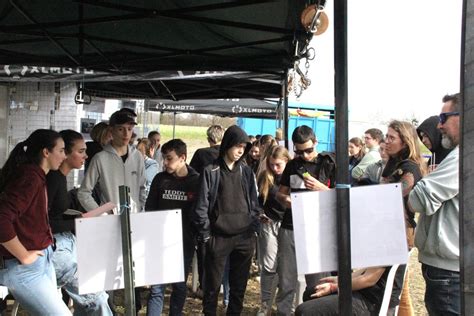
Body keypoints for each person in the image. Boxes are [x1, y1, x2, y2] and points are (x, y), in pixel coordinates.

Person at [0, 129, 71, 315]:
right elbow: (2, 219)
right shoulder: (29, 177)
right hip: (23, 267)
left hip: (40, 261)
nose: (65, 155)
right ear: (46, 152)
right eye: (62, 150)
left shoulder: (35, 175)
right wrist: (23, 255)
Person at [192, 125, 261, 315]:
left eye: (244, 147)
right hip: (218, 237)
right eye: (237, 146)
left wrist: (253, 229)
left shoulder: (246, 172)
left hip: (244, 238)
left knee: (238, 290)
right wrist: (206, 234)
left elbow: (254, 203)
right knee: (212, 289)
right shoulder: (211, 170)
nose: (241, 150)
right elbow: (201, 206)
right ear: (228, 144)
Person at [47, 129, 112, 316]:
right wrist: (78, 222)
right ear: (65, 153)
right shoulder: (53, 178)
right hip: (57, 248)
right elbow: (44, 221)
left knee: (95, 297)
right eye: (81, 151)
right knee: (96, 299)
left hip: (65, 243)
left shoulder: (59, 177)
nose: (86, 155)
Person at [408, 93, 460, 315]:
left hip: (450, 274)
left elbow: (416, 200)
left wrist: (426, 178)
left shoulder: (464, 156)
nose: (439, 125)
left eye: (444, 117)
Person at [276, 125, 336, 315]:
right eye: (300, 151)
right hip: (291, 227)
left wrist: (322, 188)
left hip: (318, 231)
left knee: (318, 284)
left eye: (309, 150)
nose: (305, 155)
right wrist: (290, 202)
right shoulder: (293, 165)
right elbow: (281, 194)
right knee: (286, 282)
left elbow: (343, 198)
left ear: (316, 142)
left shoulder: (330, 163)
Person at [145, 139, 199, 316]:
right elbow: (150, 207)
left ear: (182, 157)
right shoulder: (160, 179)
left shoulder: (196, 181)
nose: (165, 163)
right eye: (163, 159)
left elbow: (199, 212)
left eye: (169, 158)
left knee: (179, 285)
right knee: (156, 287)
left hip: (184, 242)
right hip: (160, 241)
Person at [380, 120, 426, 316]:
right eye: (386, 136)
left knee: (391, 288)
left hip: (400, 232)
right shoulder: (393, 163)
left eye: (392, 137)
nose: (386, 141)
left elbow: (392, 194)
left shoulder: (410, 168)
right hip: (386, 229)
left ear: (405, 142)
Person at [78, 108, 146, 214]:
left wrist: (140, 209)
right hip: (109, 222)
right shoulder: (100, 158)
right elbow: (83, 192)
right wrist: (101, 214)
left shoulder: (138, 157)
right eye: (120, 129)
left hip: (134, 220)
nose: (126, 134)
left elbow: (142, 188)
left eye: (130, 129)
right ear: (111, 131)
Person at [188, 124, 226, 299]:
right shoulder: (227, 156)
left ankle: (204, 286)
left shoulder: (201, 154)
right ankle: (220, 288)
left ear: (209, 138)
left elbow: (192, 177)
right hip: (224, 210)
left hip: (204, 207)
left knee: (203, 250)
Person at [256, 145, 291, 315]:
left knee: (286, 268)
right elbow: (257, 201)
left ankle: (284, 305)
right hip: (269, 223)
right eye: (272, 164)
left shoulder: (292, 177)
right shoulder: (266, 177)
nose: (275, 168)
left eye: (278, 165)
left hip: (287, 225)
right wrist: (260, 213)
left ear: (286, 161)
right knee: (269, 266)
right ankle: (265, 304)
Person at [294, 265, 406, 315]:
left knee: (304, 311)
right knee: (312, 293)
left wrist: (334, 287)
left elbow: (368, 279)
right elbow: (366, 270)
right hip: (365, 294)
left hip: (371, 303)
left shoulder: (390, 242)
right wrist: (338, 279)